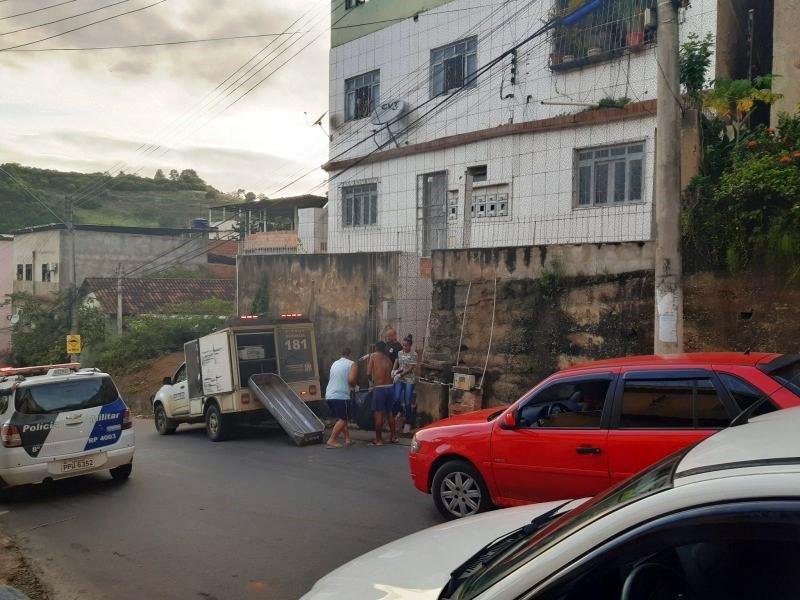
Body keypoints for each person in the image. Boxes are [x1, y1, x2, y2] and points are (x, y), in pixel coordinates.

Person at [324, 347, 357, 449]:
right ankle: (332, 440)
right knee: (344, 418)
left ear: (341, 354)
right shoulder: (352, 364)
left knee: (342, 418)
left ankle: (348, 439)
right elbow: (351, 380)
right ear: (350, 354)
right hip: (341, 395)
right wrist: (354, 385)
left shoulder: (335, 363)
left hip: (329, 394)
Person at [367, 340, 396, 445]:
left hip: (379, 388)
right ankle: (394, 437)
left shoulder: (373, 356)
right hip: (390, 387)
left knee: (378, 414)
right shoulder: (388, 359)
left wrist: (371, 383)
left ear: (375, 348)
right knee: (389, 413)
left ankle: (378, 440)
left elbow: (368, 373)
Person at [393, 335, 418, 434]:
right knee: (396, 398)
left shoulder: (414, 354)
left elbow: (411, 368)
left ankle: (408, 422)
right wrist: (394, 370)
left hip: (409, 380)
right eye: (403, 345)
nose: (404, 347)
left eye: (406, 346)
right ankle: (399, 412)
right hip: (399, 377)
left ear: (410, 346)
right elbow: (397, 361)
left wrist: (400, 375)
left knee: (408, 401)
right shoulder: (400, 352)